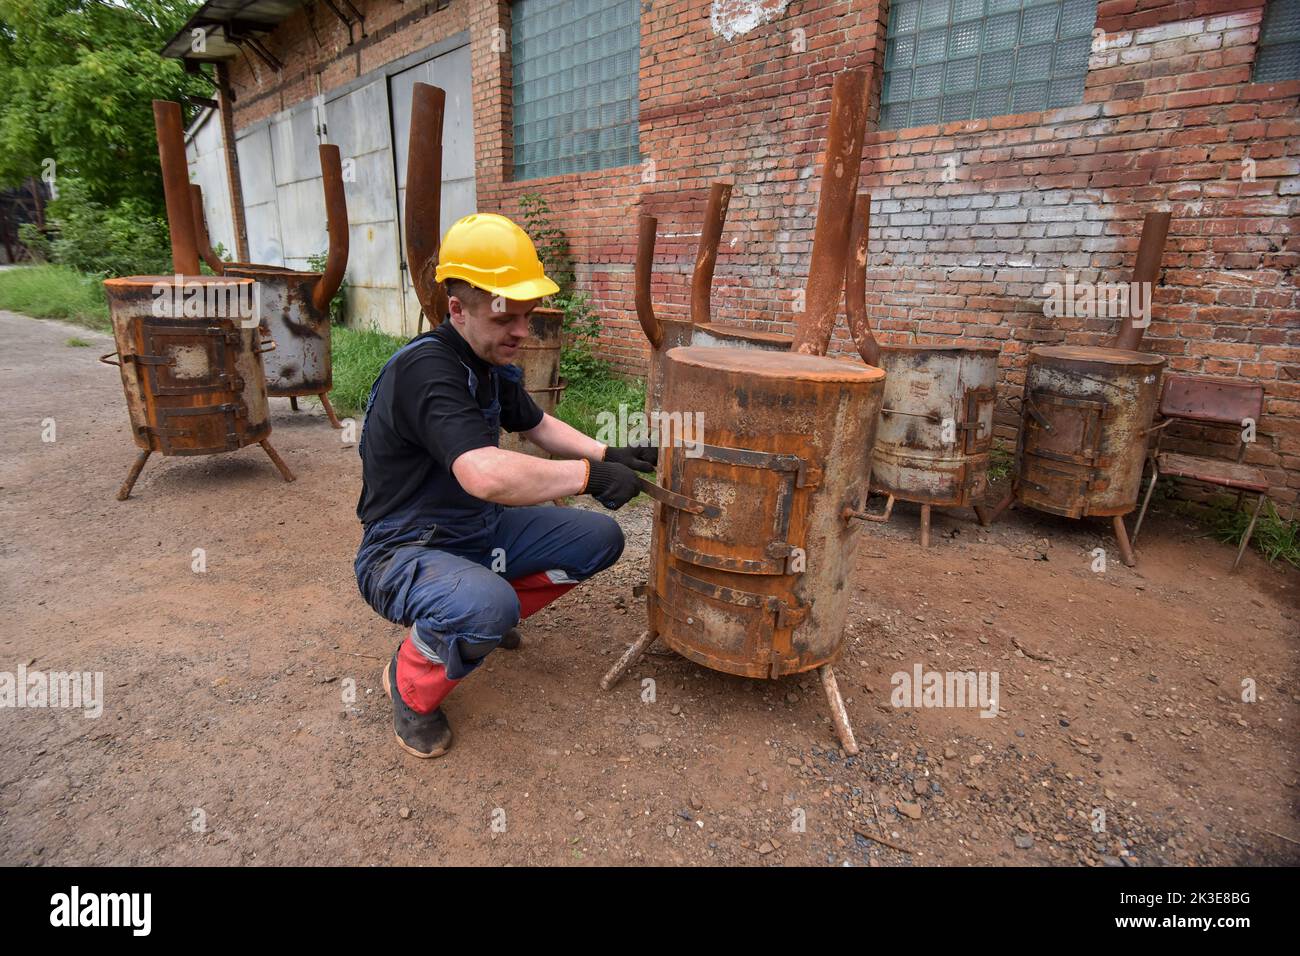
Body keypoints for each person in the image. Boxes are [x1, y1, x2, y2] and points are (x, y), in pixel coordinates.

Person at [354, 212, 655, 758]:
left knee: (601, 540)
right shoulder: (428, 372)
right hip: (404, 547)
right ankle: (412, 682)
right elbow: (485, 473)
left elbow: (536, 425)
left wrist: (606, 452)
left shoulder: (490, 362)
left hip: (477, 528)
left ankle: (479, 620)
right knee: (486, 605)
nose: (522, 330)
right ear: (457, 310)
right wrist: (588, 476)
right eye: (505, 319)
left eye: (527, 315)